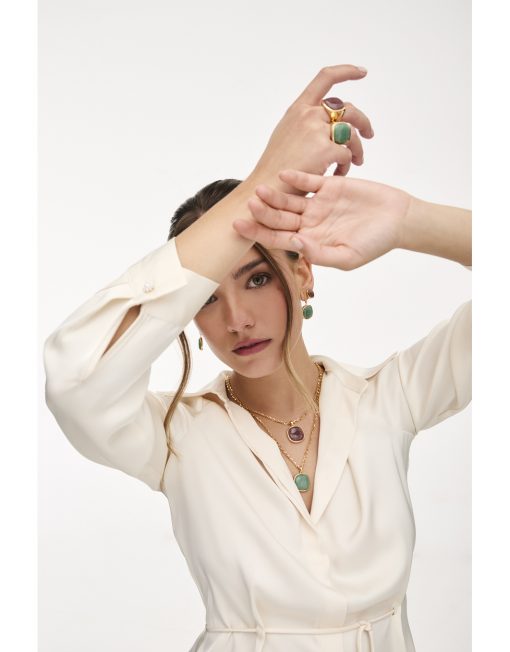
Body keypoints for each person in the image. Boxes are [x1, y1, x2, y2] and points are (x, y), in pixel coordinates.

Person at [43, 64, 471, 652]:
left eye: (258, 278)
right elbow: (74, 379)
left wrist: (408, 221)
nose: (237, 319)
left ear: (304, 273)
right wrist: (265, 179)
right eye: (206, 297)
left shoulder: (388, 398)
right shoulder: (175, 436)